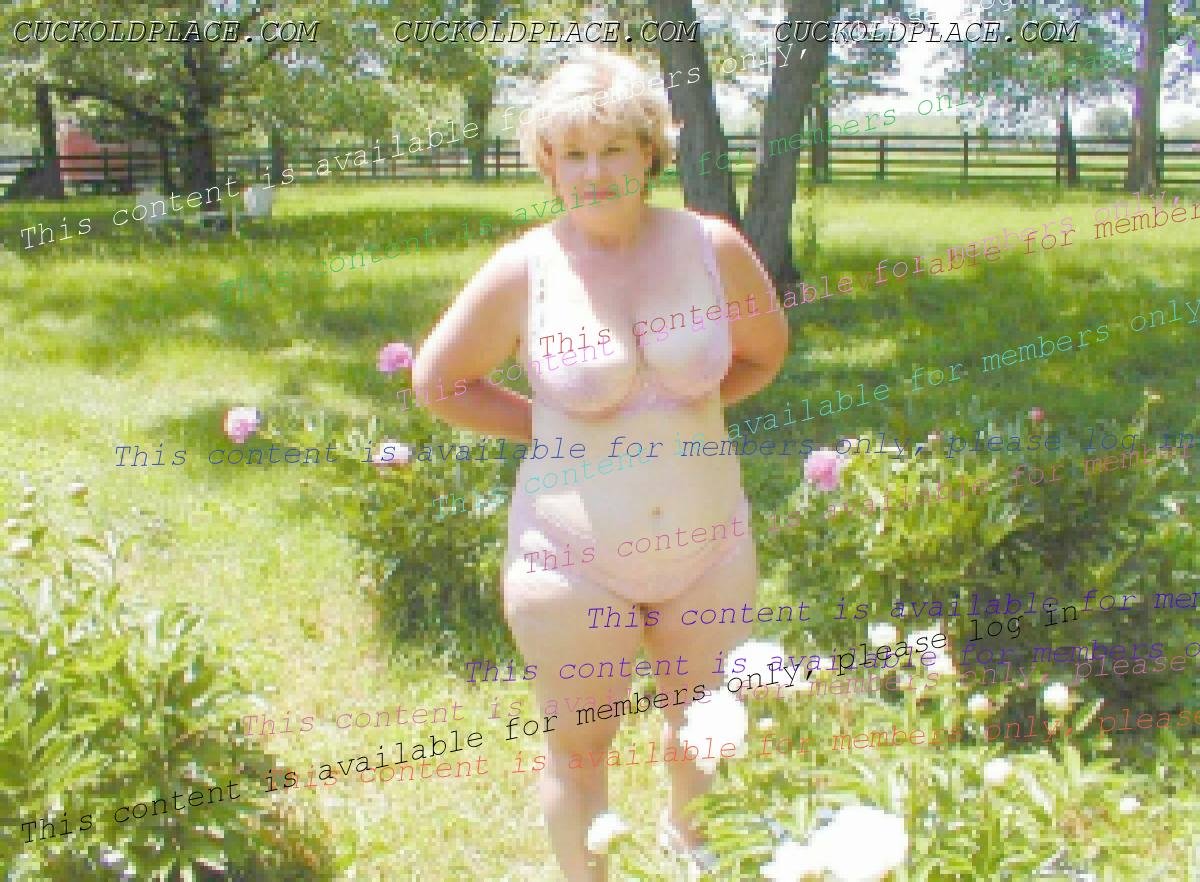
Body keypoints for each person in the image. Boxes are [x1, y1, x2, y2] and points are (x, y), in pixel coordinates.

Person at [412, 51, 787, 880]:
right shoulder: (526, 269)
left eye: (613, 148)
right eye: (572, 154)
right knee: (580, 748)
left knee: (707, 732)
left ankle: (696, 860)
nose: (593, 172)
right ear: (548, 165)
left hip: (709, 551)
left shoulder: (713, 247)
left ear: (650, 151)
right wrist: (549, 429)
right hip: (571, 562)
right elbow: (439, 383)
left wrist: (682, 419)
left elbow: (764, 353)